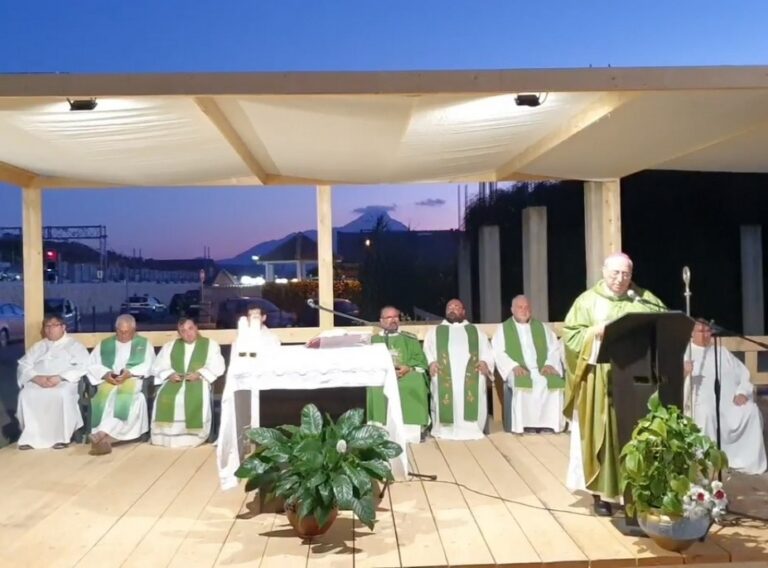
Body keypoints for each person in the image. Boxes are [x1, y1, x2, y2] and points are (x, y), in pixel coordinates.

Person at [562, 253, 665, 516]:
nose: (621, 279)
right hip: (602, 379)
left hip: (637, 379)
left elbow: (664, 323)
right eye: (615, 273)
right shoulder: (587, 302)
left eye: (626, 274)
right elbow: (571, 337)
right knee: (605, 435)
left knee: (635, 434)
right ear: (603, 271)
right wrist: (593, 332)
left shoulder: (644, 299)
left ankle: (638, 491)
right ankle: (603, 495)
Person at [684, 320, 767, 474]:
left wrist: (741, 392)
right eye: (700, 331)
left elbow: (744, 375)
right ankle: (709, 463)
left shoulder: (721, 352)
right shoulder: (686, 352)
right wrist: (685, 372)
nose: (704, 335)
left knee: (751, 410)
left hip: (729, 404)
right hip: (701, 404)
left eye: (707, 331)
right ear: (692, 333)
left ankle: (749, 463)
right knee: (706, 413)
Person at [492, 295, 566, 434]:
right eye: (520, 307)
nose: (524, 310)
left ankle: (550, 425)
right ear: (512, 310)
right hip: (519, 369)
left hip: (541, 369)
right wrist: (513, 366)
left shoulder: (542, 328)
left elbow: (554, 348)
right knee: (523, 386)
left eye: (526, 307)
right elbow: (498, 352)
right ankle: (525, 425)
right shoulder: (503, 329)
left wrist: (550, 364)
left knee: (553, 383)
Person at [423, 298, 494, 440]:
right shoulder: (435, 331)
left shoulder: (475, 331)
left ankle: (472, 429)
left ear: (463, 311)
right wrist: (431, 363)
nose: (452, 309)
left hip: (471, 374)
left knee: (473, 392)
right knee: (444, 394)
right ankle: (444, 430)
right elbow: (427, 350)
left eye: (456, 306)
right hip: (443, 373)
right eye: (449, 307)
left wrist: (485, 362)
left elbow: (487, 350)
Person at [16, 314, 89, 449]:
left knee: (60, 394)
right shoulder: (38, 346)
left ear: (63, 327)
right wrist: (36, 378)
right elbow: (23, 365)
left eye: (54, 326)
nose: (50, 329)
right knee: (26, 394)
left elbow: (84, 366)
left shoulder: (74, 345)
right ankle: (32, 437)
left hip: (63, 382)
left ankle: (62, 437)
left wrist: (60, 377)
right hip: (39, 381)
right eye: (47, 326)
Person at [86, 314, 155, 455]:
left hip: (132, 381)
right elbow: (91, 364)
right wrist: (106, 374)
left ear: (134, 330)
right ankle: (105, 439)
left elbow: (149, 364)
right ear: (115, 329)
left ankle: (100, 435)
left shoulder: (143, 344)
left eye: (127, 332)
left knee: (129, 401)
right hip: (108, 382)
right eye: (120, 331)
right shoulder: (105, 344)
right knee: (107, 399)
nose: (123, 335)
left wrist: (130, 372)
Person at [151, 317, 225, 447]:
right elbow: (158, 365)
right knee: (164, 396)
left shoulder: (210, 345)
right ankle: (166, 439)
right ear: (179, 333)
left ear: (196, 328)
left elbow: (217, 365)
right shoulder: (170, 346)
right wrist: (170, 374)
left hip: (199, 381)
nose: (188, 333)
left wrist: (199, 374)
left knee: (194, 398)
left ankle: (193, 438)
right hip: (175, 381)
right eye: (183, 331)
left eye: (190, 329)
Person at [366, 306, 430, 443]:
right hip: (383, 377)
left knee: (416, 382)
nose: (393, 320)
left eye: (395, 317)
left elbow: (420, 361)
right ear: (381, 321)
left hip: (405, 375)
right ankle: (380, 432)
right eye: (389, 318)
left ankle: (411, 433)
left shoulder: (409, 338)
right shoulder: (374, 340)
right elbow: (369, 363)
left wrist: (408, 368)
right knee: (374, 386)